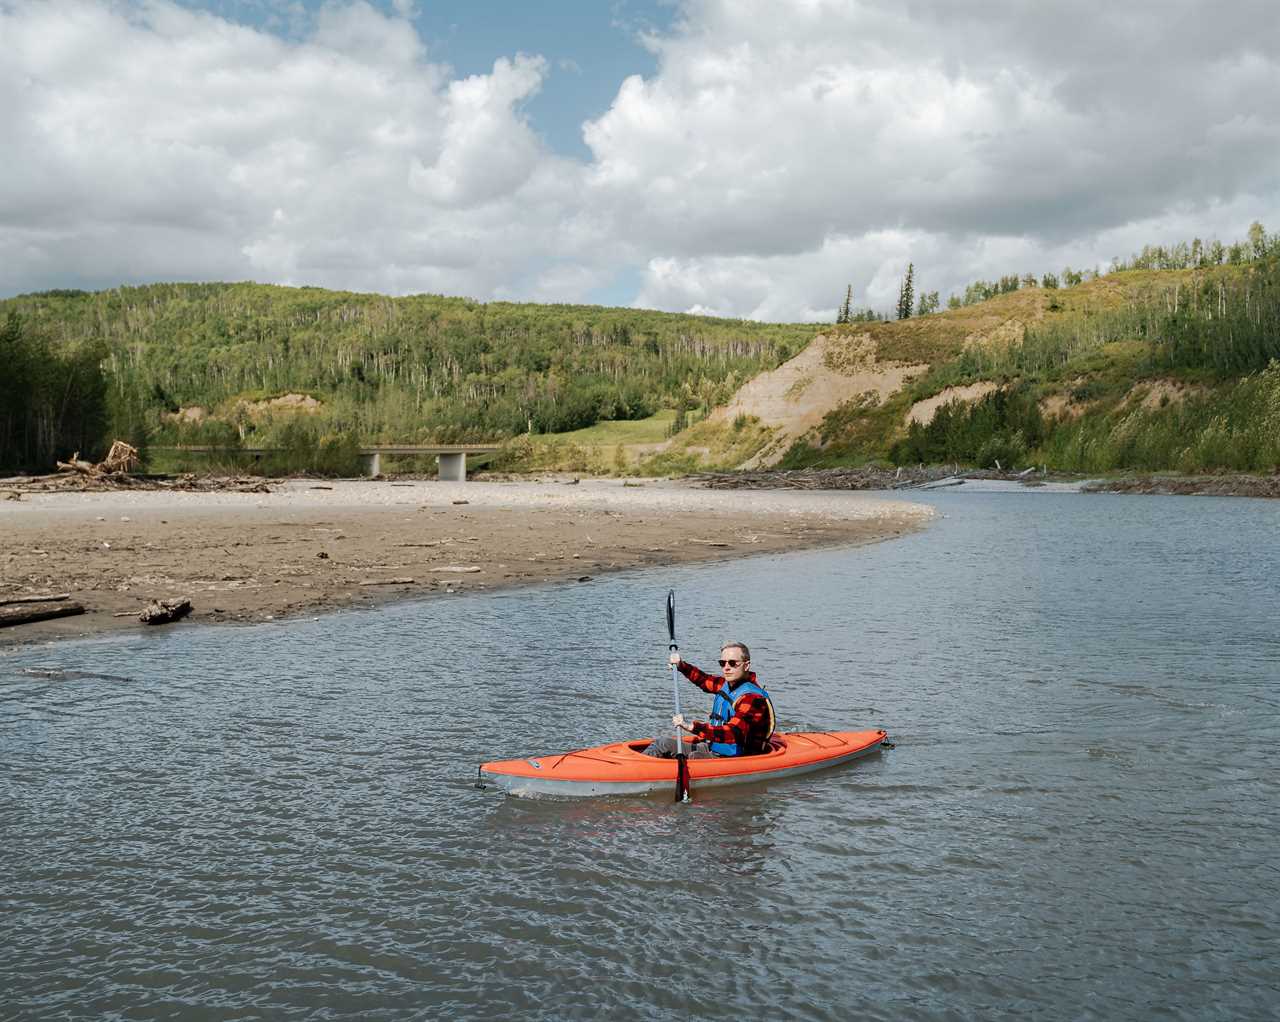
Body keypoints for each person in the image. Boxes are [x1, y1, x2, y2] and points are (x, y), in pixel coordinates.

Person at [643, 641, 776, 758]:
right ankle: (637, 768)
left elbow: (733, 732)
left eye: (732, 663)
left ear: (746, 666)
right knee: (663, 743)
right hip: (714, 748)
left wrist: (692, 727)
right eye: (722, 663)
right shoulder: (727, 685)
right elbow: (703, 680)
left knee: (695, 757)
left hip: (738, 757)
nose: (726, 667)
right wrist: (681, 666)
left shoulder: (753, 699)